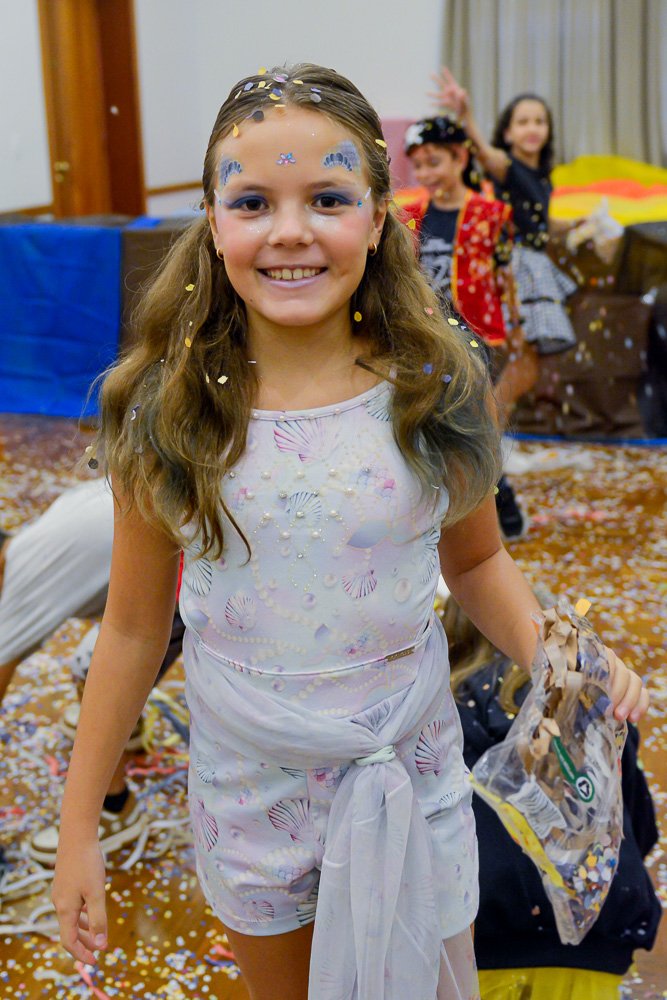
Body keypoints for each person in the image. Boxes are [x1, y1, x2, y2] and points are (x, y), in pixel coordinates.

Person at [51, 63, 648, 1000]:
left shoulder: (433, 385)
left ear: (376, 219)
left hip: (408, 769)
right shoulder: (167, 410)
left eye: (327, 198)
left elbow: (477, 560)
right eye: (253, 201)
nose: (290, 231)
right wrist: (79, 822)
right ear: (213, 220)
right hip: (251, 792)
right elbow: (132, 627)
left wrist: (559, 657)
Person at [442, 594, 661, 1000]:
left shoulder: (442, 709)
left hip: (479, 938)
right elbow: (639, 829)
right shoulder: (589, 698)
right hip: (595, 943)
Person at [0, 478, 183, 866]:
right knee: (97, 669)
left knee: (94, 674)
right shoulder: (36, 536)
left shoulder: (22, 580)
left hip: (187, 572)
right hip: (181, 534)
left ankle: (116, 810)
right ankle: (126, 725)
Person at [401, 115, 530, 540]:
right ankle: (439, 510)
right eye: (418, 165)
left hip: (475, 334)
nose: (425, 174)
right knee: (431, 419)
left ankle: (501, 502)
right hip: (428, 333)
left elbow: (506, 273)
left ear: (460, 159)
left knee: (472, 420)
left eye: (434, 162)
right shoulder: (413, 215)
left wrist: (515, 322)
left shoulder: (490, 214)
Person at [430, 68, 578, 361]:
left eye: (540, 121)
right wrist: (465, 114)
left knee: (527, 359)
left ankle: (497, 391)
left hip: (532, 261)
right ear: (507, 133)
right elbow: (485, 153)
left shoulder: (543, 177)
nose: (532, 128)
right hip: (515, 265)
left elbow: (537, 220)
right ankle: (493, 392)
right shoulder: (506, 166)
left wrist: (579, 225)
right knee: (521, 357)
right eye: (523, 122)